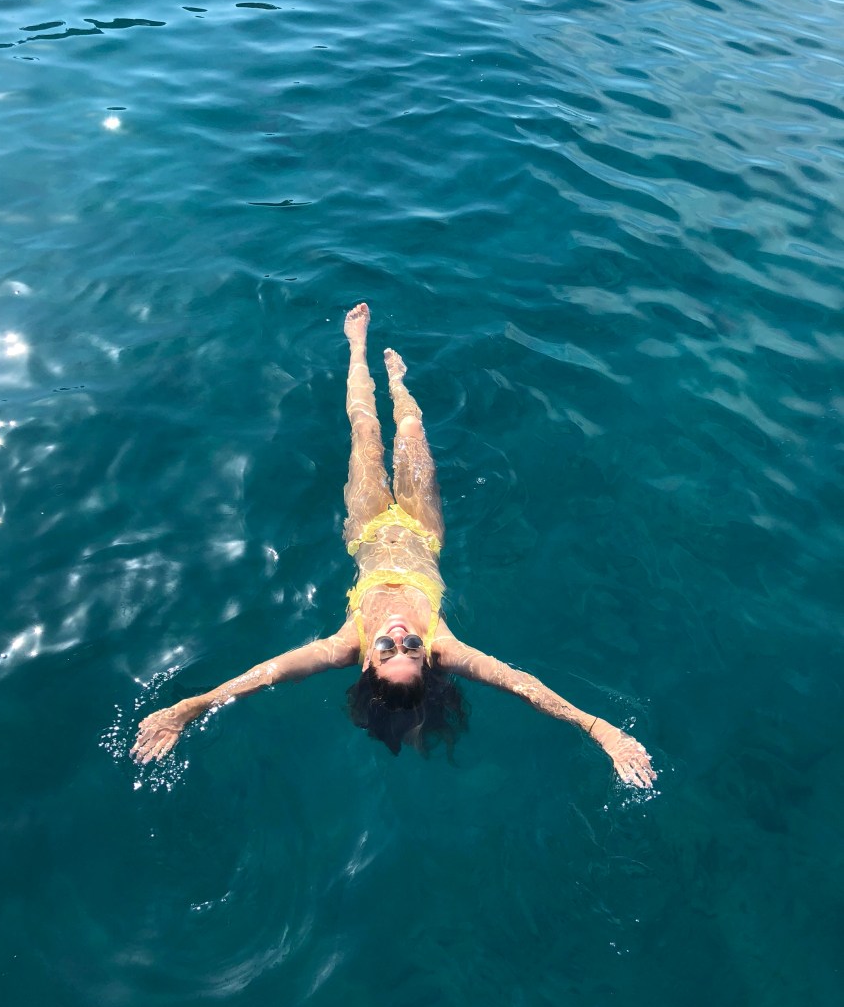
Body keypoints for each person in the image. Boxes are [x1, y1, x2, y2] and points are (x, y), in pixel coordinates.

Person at [132, 304, 656, 787]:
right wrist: (600, 730)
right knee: (409, 428)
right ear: (427, 661)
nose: (401, 638)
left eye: (388, 651)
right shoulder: (443, 644)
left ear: (368, 664)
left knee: (364, 430)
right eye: (411, 651)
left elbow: (265, 674)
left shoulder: (346, 644)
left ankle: (357, 347)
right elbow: (523, 686)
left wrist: (190, 708)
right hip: (423, 529)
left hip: (365, 528)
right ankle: (399, 382)